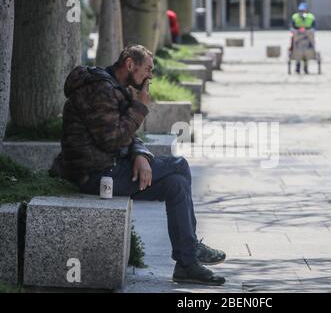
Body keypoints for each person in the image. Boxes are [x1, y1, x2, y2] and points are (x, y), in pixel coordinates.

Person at [58, 45, 226, 286]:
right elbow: (112, 138)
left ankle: (186, 265)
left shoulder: (113, 87)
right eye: (147, 69)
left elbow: (125, 135)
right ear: (129, 64)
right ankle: (191, 250)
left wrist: (141, 155)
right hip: (96, 175)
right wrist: (140, 107)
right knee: (179, 165)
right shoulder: (99, 89)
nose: (150, 76)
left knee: (176, 184)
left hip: (110, 168)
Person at [290, 2, 316, 74]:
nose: (302, 12)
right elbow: (292, 26)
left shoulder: (311, 17)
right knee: (297, 51)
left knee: (307, 51)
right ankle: (297, 67)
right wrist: (293, 30)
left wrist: (311, 30)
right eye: (300, 10)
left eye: (303, 10)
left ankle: (306, 67)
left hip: (308, 35)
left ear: (306, 10)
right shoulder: (295, 17)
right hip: (297, 35)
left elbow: (314, 27)